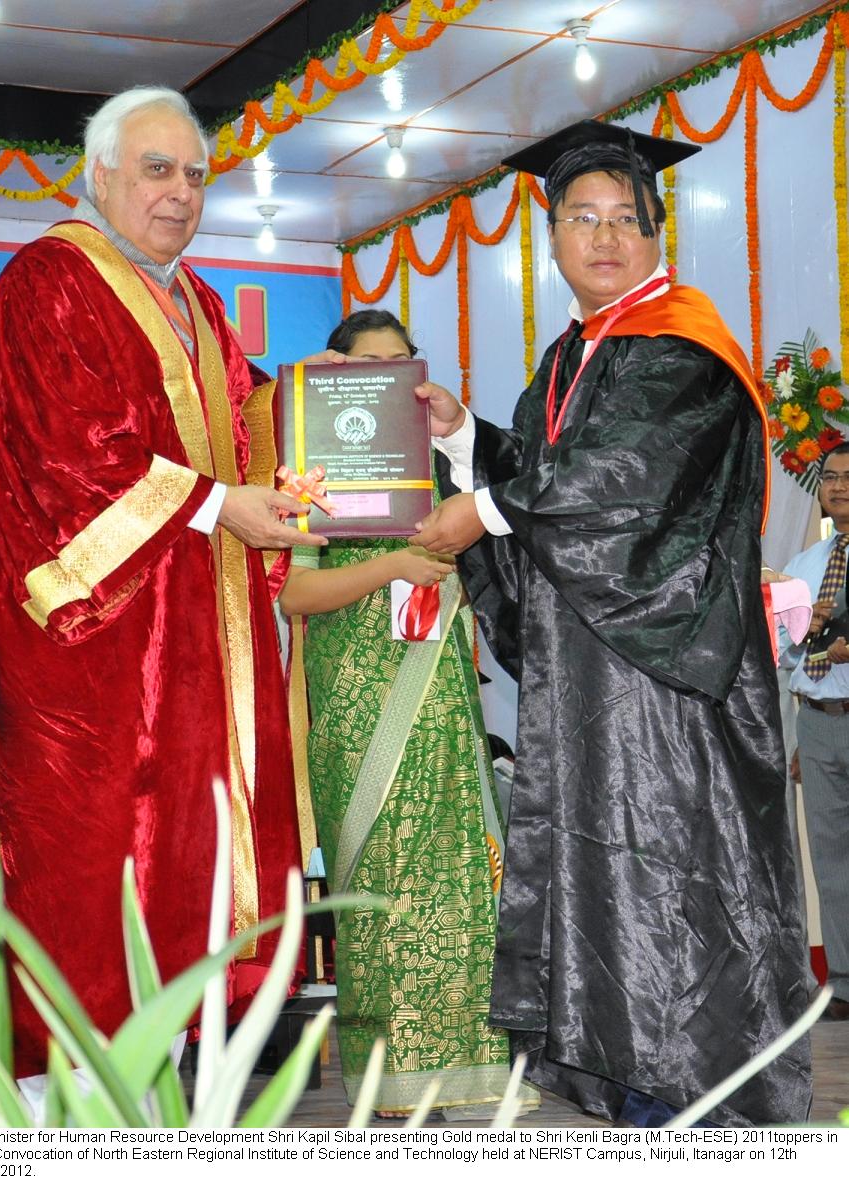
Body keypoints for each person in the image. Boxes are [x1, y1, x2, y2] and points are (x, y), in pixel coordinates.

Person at [413, 120, 812, 1126]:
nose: (602, 238)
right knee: (606, 887)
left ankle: (700, 1109)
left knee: (676, 889)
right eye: (580, 220)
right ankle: (629, 1086)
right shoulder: (569, 359)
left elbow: (620, 480)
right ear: (551, 242)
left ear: (656, 233)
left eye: (623, 221)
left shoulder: (684, 346)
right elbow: (545, 483)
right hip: (592, 692)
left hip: (668, 690)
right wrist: (466, 439)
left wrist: (486, 507)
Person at [0, 86, 323, 1081]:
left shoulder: (198, 302)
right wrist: (220, 505)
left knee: (190, 871)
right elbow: (68, 463)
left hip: (197, 651)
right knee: (88, 880)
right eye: (157, 170)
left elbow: (242, 432)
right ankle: (59, 1112)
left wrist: (305, 435)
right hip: (95, 668)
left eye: (196, 175)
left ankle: (173, 1079)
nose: (179, 193)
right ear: (103, 177)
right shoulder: (51, 283)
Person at [280, 310, 535, 1117]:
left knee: (456, 871)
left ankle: (465, 1068)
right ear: (339, 374)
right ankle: (387, 1077)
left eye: (403, 362)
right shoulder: (309, 466)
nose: (391, 376)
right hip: (355, 693)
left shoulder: (438, 466)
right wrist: (392, 561)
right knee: (377, 878)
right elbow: (294, 593)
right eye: (371, 363)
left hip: (439, 688)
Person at [781, 441, 849, 1022]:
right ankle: (845, 985)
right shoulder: (805, 566)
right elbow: (787, 653)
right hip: (821, 724)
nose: (840, 486)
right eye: (831, 476)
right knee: (830, 860)